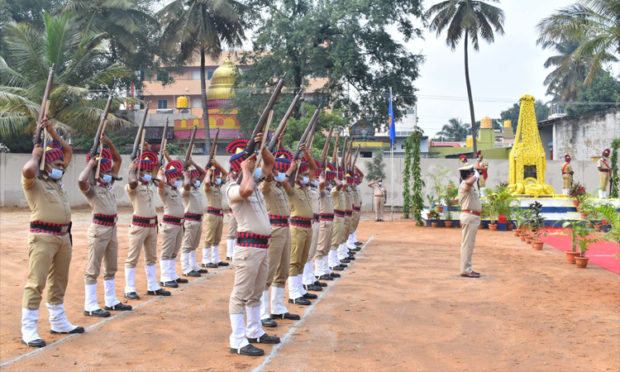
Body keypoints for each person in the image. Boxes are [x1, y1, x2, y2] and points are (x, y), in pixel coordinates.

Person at [21, 119, 84, 348]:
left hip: (63, 237)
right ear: (46, 165)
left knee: (59, 280)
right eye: (56, 163)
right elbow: (28, 169)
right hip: (43, 236)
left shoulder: (57, 181)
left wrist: (51, 132)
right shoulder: (34, 182)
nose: (61, 166)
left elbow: (66, 151)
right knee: (36, 282)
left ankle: (58, 321)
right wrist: (37, 155)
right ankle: (28, 328)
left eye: (61, 164)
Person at [227, 134, 280, 357]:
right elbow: (246, 190)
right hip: (248, 249)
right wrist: (246, 171)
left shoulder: (252, 180)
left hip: (261, 248)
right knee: (240, 295)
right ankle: (238, 340)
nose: (252, 164)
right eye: (246, 162)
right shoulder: (232, 188)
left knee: (256, 294)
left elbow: (270, 165)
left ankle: (254, 331)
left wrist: (262, 147)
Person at [78, 137, 131, 318]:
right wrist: (91, 164)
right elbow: (81, 180)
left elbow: (118, 160)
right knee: (93, 268)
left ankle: (111, 300)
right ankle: (90, 304)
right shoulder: (91, 187)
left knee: (111, 267)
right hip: (99, 229)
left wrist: (108, 143)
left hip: (112, 228)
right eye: (105, 170)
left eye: (109, 170)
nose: (109, 172)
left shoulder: (108, 185)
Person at [259, 147, 300, 327]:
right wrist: (270, 167)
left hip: (285, 227)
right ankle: (262, 311)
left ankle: (277, 307)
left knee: (282, 269)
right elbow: (268, 176)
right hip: (274, 229)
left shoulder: (280, 186)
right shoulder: (266, 185)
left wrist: (291, 168)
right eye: (276, 169)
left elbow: (284, 177)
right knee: (269, 270)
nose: (279, 172)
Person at [125, 147, 170, 299]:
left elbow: (158, 173)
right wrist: (132, 169)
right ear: (139, 173)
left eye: (149, 171)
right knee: (133, 257)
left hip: (152, 226)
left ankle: (152, 286)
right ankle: (129, 288)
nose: (148, 174)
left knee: (151, 257)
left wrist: (157, 157)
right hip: (139, 226)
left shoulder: (149, 185)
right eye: (145, 171)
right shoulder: (133, 186)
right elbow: (132, 181)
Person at [286, 147, 319, 305]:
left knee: (303, 259)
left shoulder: (305, 188)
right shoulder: (291, 188)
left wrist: (308, 155)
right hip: (297, 227)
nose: (308, 177)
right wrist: (292, 168)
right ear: (297, 176)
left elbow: (314, 170)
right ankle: (293, 293)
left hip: (307, 227)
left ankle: (300, 289)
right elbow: (284, 181)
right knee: (295, 260)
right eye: (304, 175)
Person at [156, 159, 189, 288]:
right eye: (175, 178)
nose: (177, 179)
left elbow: (186, 184)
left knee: (174, 250)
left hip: (179, 224)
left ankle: (171, 274)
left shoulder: (176, 190)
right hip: (170, 224)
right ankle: (165, 277)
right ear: (169, 179)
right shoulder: (165, 190)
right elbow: (160, 183)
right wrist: (161, 172)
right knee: (167, 250)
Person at [180, 161, 207, 277]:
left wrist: (192, 163)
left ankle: (193, 264)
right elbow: (186, 185)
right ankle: (185, 268)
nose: (196, 179)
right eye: (194, 178)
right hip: (190, 220)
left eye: (196, 177)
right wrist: (186, 176)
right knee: (187, 245)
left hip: (198, 220)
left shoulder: (195, 188)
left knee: (194, 244)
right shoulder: (185, 189)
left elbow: (203, 173)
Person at [302, 158, 324, 292]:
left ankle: (310, 277)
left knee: (312, 252)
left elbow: (320, 182)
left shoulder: (313, 189)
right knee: (308, 253)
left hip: (316, 221)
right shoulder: (304, 189)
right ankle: (306, 280)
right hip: (309, 222)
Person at [202, 161, 229, 269]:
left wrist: (216, 163)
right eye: (216, 176)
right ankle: (205, 259)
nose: (218, 178)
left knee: (217, 237)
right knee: (209, 237)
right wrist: (208, 172)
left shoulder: (217, 187)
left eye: (218, 176)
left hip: (219, 214)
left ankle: (215, 258)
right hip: (212, 214)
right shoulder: (208, 188)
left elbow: (225, 174)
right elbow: (207, 182)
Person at [314, 163, 338, 280]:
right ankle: (319, 271)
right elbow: (322, 183)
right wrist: (321, 174)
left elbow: (337, 185)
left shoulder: (328, 190)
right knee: (321, 247)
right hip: (323, 221)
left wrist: (332, 177)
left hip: (330, 220)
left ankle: (325, 268)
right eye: (327, 179)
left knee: (327, 247)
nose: (329, 181)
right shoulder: (320, 188)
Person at [458, 164, 482, 278]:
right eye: (473, 172)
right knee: (467, 244)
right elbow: (469, 182)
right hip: (469, 217)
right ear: (470, 174)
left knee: (469, 244)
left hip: (472, 217)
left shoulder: (470, 186)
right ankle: (466, 270)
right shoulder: (465, 184)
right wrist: (476, 175)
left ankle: (467, 268)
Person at [328, 167, 347, 273]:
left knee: (338, 238)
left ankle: (335, 260)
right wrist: (334, 176)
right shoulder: (334, 190)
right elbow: (340, 185)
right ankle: (332, 262)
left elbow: (343, 184)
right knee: (334, 240)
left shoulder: (339, 189)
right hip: (336, 216)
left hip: (341, 216)